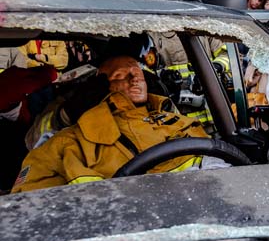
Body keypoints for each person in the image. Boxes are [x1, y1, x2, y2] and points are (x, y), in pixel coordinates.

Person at [12, 55, 209, 193]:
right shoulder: (70, 135)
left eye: (138, 73)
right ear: (102, 83)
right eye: (120, 75)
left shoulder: (172, 117)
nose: (134, 79)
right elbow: (33, 146)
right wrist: (67, 114)